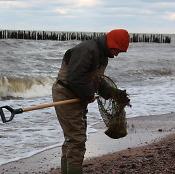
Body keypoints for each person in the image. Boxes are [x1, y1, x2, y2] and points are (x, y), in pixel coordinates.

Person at [52, 29, 130, 174]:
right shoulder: (87, 49)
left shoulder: (103, 55)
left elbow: (96, 81)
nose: (117, 54)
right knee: (77, 139)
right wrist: (88, 95)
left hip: (77, 96)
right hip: (66, 95)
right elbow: (75, 77)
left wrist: (112, 93)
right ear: (111, 43)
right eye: (117, 50)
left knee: (73, 137)